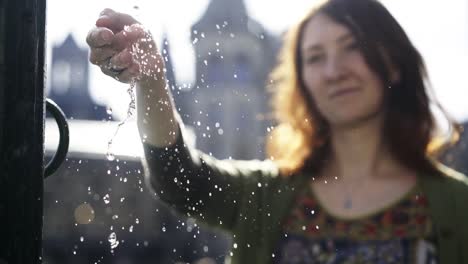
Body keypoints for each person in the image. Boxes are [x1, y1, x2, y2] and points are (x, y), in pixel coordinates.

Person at [86, 0, 468, 263]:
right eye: (316, 57)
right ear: (301, 80)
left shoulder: (457, 206)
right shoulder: (268, 193)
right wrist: (151, 79)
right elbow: (178, 180)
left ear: (394, 64)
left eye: (353, 47)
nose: (334, 70)